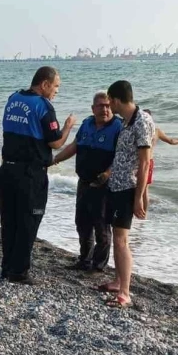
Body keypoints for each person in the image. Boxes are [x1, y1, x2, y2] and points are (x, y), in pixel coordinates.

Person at [0, 66, 75, 283]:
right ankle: (19, 272)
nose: (56, 91)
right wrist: (68, 127)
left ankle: (7, 267)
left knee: (9, 220)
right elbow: (56, 142)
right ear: (45, 84)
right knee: (29, 221)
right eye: (56, 86)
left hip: (7, 169)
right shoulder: (43, 106)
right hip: (30, 173)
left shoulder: (13, 98)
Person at [51, 91, 122, 271]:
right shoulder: (86, 124)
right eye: (100, 106)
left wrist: (108, 172)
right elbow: (74, 146)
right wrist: (53, 160)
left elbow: (123, 157)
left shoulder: (119, 127)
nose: (105, 109)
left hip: (104, 185)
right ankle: (84, 260)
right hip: (84, 182)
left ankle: (98, 266)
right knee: (82, 223)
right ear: (93, 108)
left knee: (102, 227)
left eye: (107, 105)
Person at [102, 80, 156, 308]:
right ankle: (117, 280)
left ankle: (125, 292)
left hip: (128, 188)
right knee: (116, 236)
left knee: (122, 240)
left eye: (109, 101)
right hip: (116, 185)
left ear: (115, 99)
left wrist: (139, 196)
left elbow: (145, 163)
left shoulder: (142, 121)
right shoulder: (126, 121)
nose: (108, 106)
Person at [141, 108, 178, 213]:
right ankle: (139, 214)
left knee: (143, 190)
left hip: (146, 162)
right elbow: (170, 141)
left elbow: (170, 141)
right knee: (142, 190)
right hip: (141, 162)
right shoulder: (155, 131)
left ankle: (143, 215)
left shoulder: (154, 131)